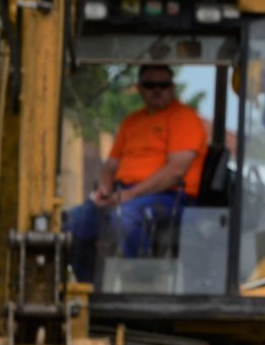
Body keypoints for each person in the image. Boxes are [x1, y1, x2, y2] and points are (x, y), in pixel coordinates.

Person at [67, 64, 207, 283]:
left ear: (173, 88)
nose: (157, 90)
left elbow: (175, 171)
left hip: (170, 197)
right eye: (150, 85)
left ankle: (137, 285)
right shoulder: (132, 122)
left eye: (164, 84)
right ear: (139, 89)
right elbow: (110, 166)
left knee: (125, 219)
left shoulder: (185, 118)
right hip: (124, 193)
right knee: (76, 221)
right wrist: (105, 189)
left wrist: (128, 197)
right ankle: (89, 288)